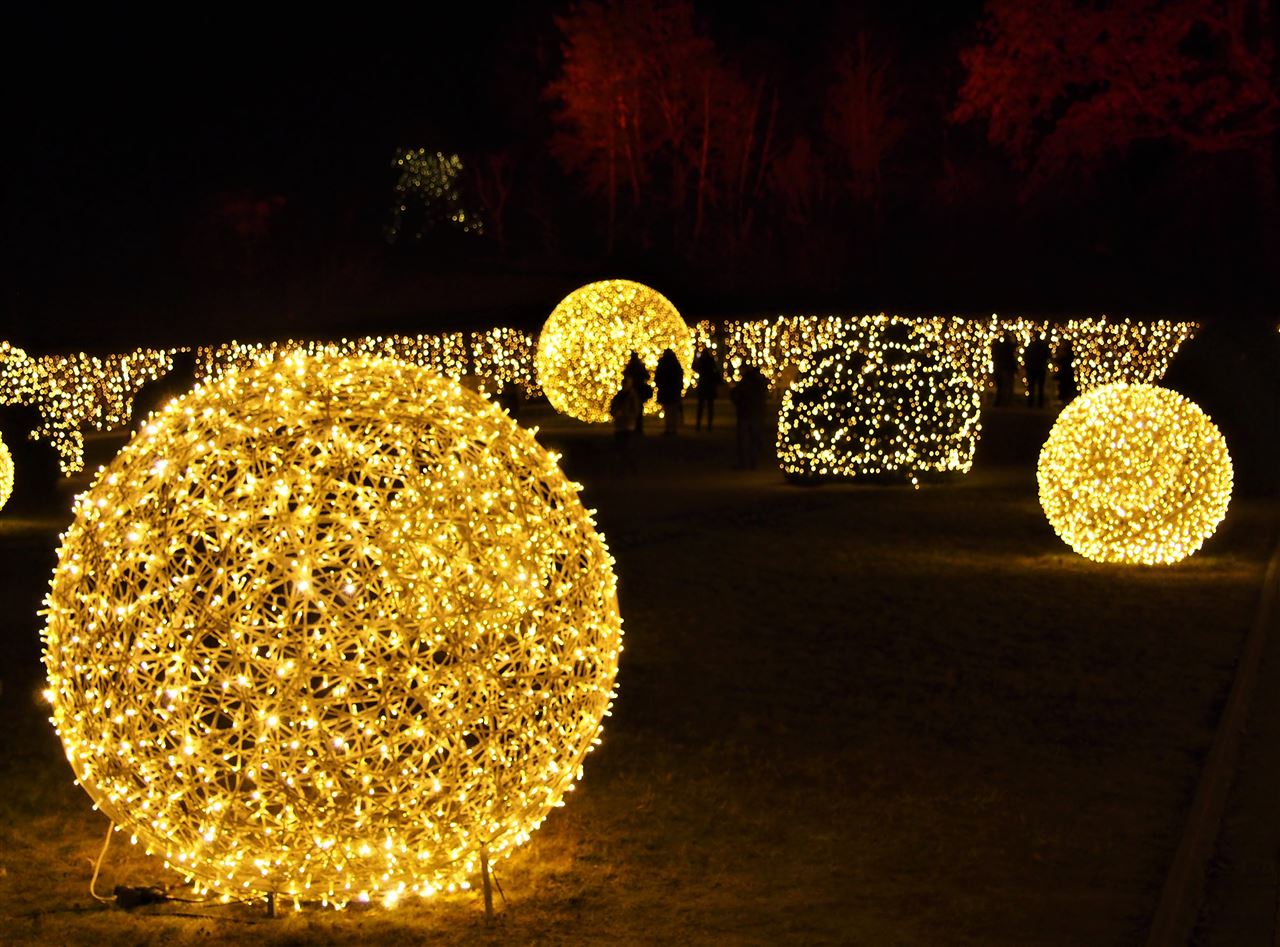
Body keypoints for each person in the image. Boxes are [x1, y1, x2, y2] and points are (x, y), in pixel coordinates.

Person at [730, 364, 770, 469]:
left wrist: (738, 404)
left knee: (744, 439)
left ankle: (744, 462)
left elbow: (735, 395)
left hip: (745, 413)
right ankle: (753, 462)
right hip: (755, 413)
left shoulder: (744, 383)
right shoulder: (760, 384)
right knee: (755, 439)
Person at [609, 375, 641, 474]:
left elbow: (635, 411)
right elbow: (612, 408)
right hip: (619, 426)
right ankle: (622, 468)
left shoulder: (631, 396)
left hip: (628, 426)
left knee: (627, 447)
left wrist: (625, 414)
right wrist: (615, 413)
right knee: (620, 448)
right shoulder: (619, 396)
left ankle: (629, 468)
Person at [653, 348, 684, 435]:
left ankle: (668, 428)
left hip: (666, 390)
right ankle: (673, 428)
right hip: (673, 391)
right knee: (673, 410)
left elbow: (658, 377)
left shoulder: (663, 364)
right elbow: (680, 376)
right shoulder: (675, 364)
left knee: (668, 410)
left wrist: (660, 385)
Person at [692, 347, 722, 431]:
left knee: (701, 406)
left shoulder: (702, 361)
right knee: (709, 406)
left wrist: (695, 357)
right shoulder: (711, 361)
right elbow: (716, 370)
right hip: (710, 385)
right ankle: (709, 425)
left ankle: (699, 425)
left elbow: (694, 367)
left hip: (704, 385)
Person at [622, 351, 652, 434]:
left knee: (632, 409)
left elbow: (625, 376)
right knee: (638, 409)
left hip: (633, 390)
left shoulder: (630, 366)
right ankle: (638, 427)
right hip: (640, 390)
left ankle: (634, 427)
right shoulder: (640, 366)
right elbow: (647, 376)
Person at [1023, 332, 1051, 408]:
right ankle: (1039, 404)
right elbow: (1049, 356)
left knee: (1031, 387)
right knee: (1040, 387)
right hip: (1040, 368)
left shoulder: (1031, 345)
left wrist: (1027, 366)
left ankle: (1031, 403)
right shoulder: (1043, 345)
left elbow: (1026, 357)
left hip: (1032, 369)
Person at [990, 333, 1017, 406]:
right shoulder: (1008, 347)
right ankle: (1005, 402)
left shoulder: (1001, 347)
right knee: (1007, 386)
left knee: (1002, 387)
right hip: (1007, 369)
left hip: (1002, 369)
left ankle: (1001, 402)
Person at [1054, 340, 1078, 404]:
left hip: (1066, 374)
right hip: (1065, 374)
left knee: (1065, 388)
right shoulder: (1065, 353)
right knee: (1064, 388)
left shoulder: (1067, 355)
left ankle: (1065, 400)